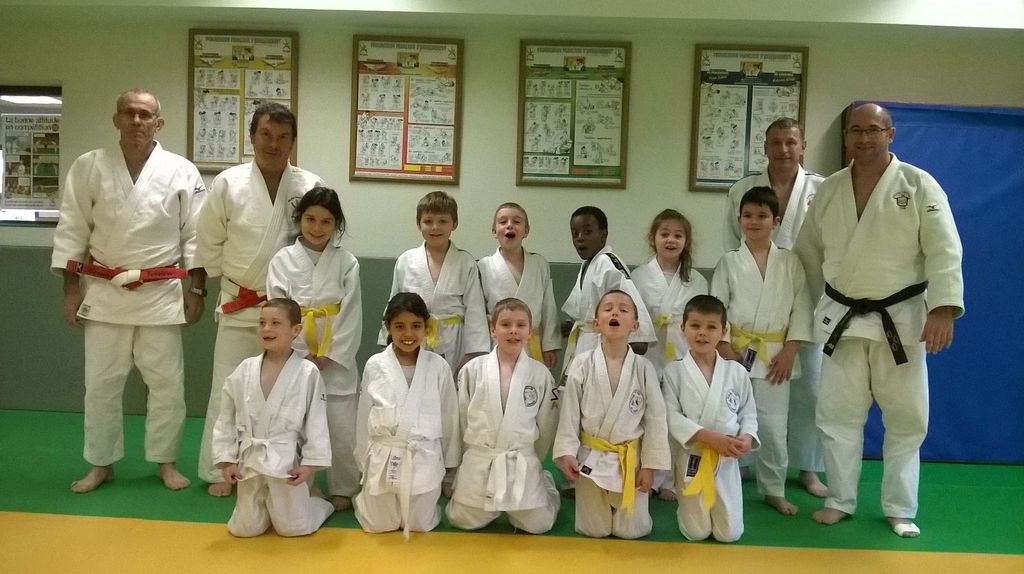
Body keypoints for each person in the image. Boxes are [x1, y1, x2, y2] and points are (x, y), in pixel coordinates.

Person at [794, 103, 964, 537]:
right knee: (837, 416)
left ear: (891, 133)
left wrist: (943, 307)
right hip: (842, 320)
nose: (864, 138)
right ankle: (839, 498)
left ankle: (900, 507)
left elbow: (944, 249)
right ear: (846, 137)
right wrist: (804, 315)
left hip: (901, 320)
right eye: (856, 130)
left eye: (874, 129)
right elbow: (808, 255)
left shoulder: (918, 184)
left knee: (907, 418)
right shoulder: (830, 189)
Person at [51, 89, 206, 493]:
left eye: (145, 114)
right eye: (129, 113)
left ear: (159, 123)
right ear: (116, 119)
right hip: (104, 292)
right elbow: (72, 230)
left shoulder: (181, 170)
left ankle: (166, 461)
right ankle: (100, 463)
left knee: (167, 385)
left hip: (160, 292)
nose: (137, 120)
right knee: (101, 384)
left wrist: (197, 289)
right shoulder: (89, 166)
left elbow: (195, 236)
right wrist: (71, 289)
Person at [196, 102, 324, 496]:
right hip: (240, 301)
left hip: (289, 310)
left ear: (293, 141)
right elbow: (207, 242)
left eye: (283, 137)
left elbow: (319, 240)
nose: (274, 144)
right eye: (266, 135)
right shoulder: (228, 183)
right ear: (252, 137)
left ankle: (292, 471)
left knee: (289, 394)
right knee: (228, 389)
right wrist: (206, 287)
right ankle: (220, 469)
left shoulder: (309, 185)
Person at [724, 117, 827, 498]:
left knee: (809, 392)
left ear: (803, 146)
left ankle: (808, 467)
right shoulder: (742, 189)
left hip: (808, 298)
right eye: (776, 142)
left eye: (791, 142)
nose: (783, 149)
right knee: (747, 394)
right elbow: (730, 244)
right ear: (765, 147)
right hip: (752, 307)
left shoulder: (821, 189)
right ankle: (747, 463)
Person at [711, 187, 812, 515]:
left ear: (776, 221)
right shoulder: (729, 262)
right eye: (748, 215)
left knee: (772, 425)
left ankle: (773, 489)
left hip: (775, 356)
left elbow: (802, 307)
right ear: (739, 219)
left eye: (762, 216)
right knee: (728, 419)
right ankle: (725, 481)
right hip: (735, 352)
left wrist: (791, 349)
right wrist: (723, 345)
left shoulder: (790, 261)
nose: (754, 222)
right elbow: (717, 306)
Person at [266, 186, 362, 511]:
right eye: (310, 219)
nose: (317, 228)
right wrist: (299, 351)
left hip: (335, 357)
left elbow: (351, 311)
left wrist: (329, 353)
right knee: (295, 423)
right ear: (299, 219)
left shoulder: (347, 262)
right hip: (295, 353)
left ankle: (344, 487)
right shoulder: (282, 260)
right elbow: (278, 308)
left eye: (326, 221)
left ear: (337, 225)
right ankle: (301, 484)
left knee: (341, 426)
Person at [553, 289, 670, 539]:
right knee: (594, 530)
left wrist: (650, 467)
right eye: (608, 309)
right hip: (590, 457)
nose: (615, 312)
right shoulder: (581, 363)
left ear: (635, 325)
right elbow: (569, 413)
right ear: (596, 324)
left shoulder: (644, 368)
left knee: (632, 531)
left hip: (629, 460)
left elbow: (656, 420)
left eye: (623, 309)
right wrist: (567, 452)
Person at [212, 298, 334, 537]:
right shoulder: (245, 369)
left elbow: (317, 421)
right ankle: (268, 510)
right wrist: (227, 459)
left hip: (286, 461)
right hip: (250, 458)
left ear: (296, 330)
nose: (266, 329)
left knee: (294, 528)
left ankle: (319, 504)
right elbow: (226, 417)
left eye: (275, 323)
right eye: (262, 323)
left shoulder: (307, 372)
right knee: (243, 529)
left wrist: (309, 464)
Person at [446, 298, 560, 533]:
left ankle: (543, 482)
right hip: (481, 456)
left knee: (539, 525)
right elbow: (461, 419)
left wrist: (534, 458)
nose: (513, 331)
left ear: (530, 332)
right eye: (506, 324)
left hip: (520, 457)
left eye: (521, 325)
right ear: (493, 329)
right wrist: (465, 458)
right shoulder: (472, 370)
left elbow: (546, 425)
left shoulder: (540, 374)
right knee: (462, 520)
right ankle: (472, 490)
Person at [355, 292, 460, 538]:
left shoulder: (438, 366)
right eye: (399, 326)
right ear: (388, 328)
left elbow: (450, 416)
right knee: (379, 524)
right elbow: (363, 415)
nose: (408, 334)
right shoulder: (375, 364)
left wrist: (451, 464)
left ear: (426, 327)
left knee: (419, 523)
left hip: (422, 455)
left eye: (416, 326)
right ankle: (364, 499)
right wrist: (362, 460)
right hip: (384, 455)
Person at [663, 295, 758, 542]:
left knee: (730, 534)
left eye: (711, 327)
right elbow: (671, 416)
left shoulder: (736, 371)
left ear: (724, 332)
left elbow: (748, 412)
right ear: (683, 329)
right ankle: (685, 510)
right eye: (695, 325)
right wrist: (708, 437)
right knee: (696, 533)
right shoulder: (674, 371)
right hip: (693, 457)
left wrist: (747, 437)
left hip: (726, 458)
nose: (702, 333)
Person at [377, 191, 489, 375]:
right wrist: (385, 341)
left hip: (454, 341)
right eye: (428, 221)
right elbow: (394, 305)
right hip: (413, 336)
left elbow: (475, 311)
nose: (435, 227)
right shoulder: (406, 261)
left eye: (443, 221)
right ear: (418, 223)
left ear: (454, 223)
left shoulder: (465, 262)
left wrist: (472, 354)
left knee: (450, 386)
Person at [560, 206, 655, 386]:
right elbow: (584, 312)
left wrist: (636, 338)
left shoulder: (609, 264)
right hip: (585, 346)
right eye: (575, 233)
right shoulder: (588, 264)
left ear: (603, 235)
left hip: (606, 350)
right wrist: (573, 325)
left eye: (587, 232)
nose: (580, 237)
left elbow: (629, 304)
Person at [477, 203, 561, 370]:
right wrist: (479, 348)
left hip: (532, 342)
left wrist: (550, 345)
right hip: (497, 343)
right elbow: (478, 311)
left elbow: (548, 307)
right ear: (494, 231)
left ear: (526, 231)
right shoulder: (484, 266)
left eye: (516, 221)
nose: (509, 225)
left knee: (533, 384)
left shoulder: (539, 264)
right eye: (503, 222)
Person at [632, 209, 708, 375]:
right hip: (648, 351)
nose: (671, 240)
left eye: (678, 236)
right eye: (665, 234)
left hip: (684, 349)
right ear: (652, 239)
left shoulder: (698, 281)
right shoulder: (638, 277)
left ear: (686, 242)